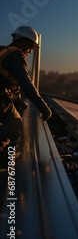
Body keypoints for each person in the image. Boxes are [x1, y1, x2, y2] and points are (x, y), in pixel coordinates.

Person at [0, 26, 52, 154]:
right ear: (23, 41)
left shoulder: (4, 50)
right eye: (30, 46)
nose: (29, 51)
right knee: (14, 124)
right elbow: (26, 83)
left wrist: (16, 99)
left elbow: (7, 80)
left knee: (13, 122)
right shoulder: (16, 55)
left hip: (3, 96)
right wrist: (43, 108)